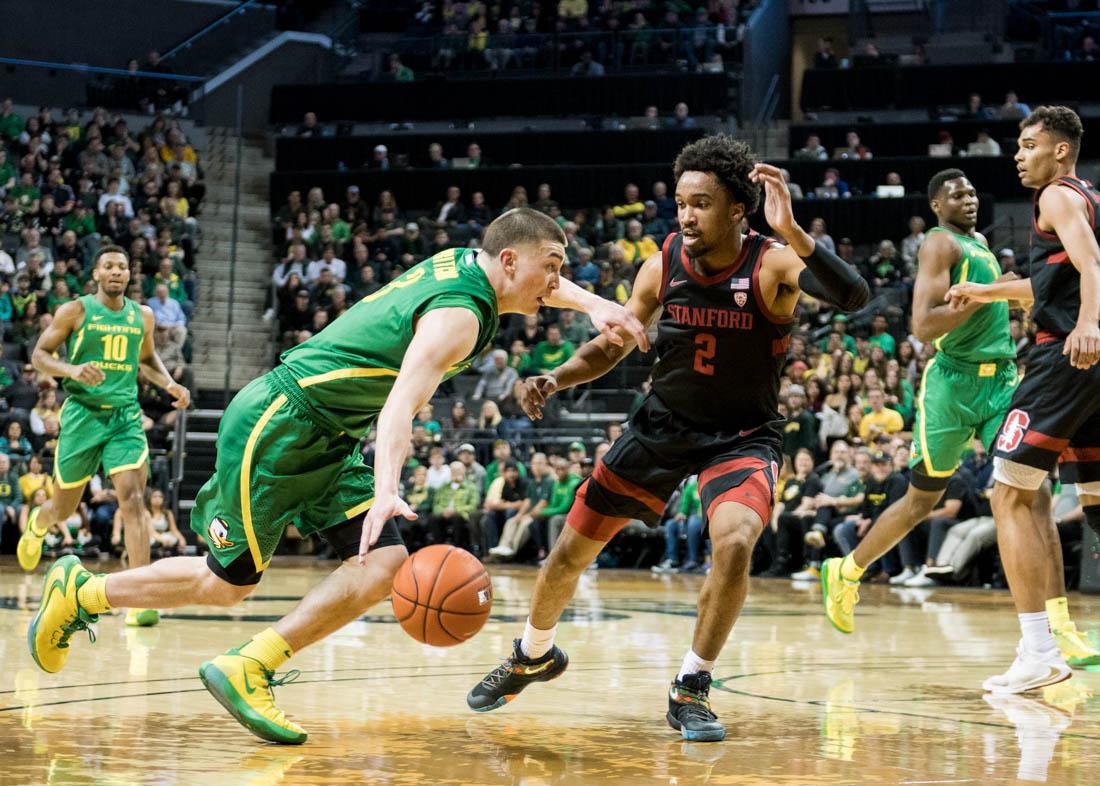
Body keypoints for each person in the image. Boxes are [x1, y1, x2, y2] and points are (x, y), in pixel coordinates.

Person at [26, 209, 647, 745]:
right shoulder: (459, 315)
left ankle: (251, 665)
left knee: (384, 564)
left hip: (328, 433)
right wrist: (385, 489)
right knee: (227, 585)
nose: (560, 282)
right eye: (554, 266)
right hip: (282, 421)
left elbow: (545, 289)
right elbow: (401, 404)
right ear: (510, 262)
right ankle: (81, 592)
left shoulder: (469, 262)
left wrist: (595, 305)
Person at [466, 136, 868, 741]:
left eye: (701, 203)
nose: (685, 214)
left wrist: (795, 230)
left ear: (739, 209)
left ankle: (691, 685)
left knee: (734, 541)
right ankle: (532, 652)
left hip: (741, 436)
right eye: (681, 201)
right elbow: (614, 340)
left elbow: (853, 296)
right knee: (568, 552)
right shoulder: (662, 263)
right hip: (661, 426)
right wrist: (558, 376)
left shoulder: (774, 262)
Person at [821, 162, 1099, 677]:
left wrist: (1005, 292)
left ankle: (1058, 627)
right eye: (956, 193)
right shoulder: (939, 244)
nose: (968, 198)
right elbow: (924, 327)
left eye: (972, 191)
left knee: (1032, 492)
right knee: (923, 497)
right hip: (952, 383)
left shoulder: (985, 250)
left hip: (1001, 381)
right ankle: (847, 569)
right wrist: (981, 298)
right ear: (936, 205)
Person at [944, 107, 1100, 691]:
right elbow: (1052, 281)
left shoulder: (1057, 196)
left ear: (1060, 151)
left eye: (1030, 144)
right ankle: (1044, 644)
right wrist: (987, 290)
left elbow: (1091, 264)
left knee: (1008, 492)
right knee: (1095, 501)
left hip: (1066, 357)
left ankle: (1039, 651)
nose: (1018, 153)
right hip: (1092, 367)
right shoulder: (1087, 194)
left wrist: (1089, 324)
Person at [17, 245, 189, 631]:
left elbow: (145, 361)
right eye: (108, 266)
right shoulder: (75, 311)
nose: (116, 272)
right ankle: (38, 525)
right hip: (82, 418)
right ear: (96, 274)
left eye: (123, 267)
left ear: (130, 275)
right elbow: (40, 354)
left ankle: (139, 598)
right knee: (62, 508)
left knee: (133, 499)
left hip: (125, 419)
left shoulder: (142, 315)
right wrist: (72, 370)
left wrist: (170, 384)